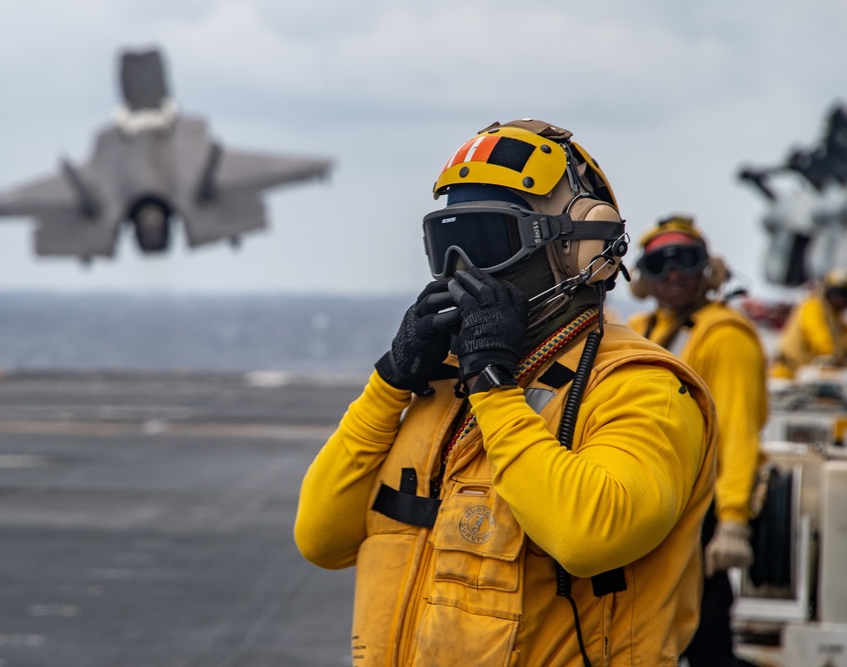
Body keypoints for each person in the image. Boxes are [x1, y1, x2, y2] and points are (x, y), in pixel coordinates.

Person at [294, 119, 717, 666]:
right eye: (448, 245)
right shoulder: (442, 383)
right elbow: (320, 538)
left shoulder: (642, 388)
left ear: (580, 248)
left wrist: (493, 385)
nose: (461, 270)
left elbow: (591, 535)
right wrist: (391, 380)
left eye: (487, 242)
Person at [627, 216, 767, 666]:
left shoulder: (722, 335)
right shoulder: (643, 329)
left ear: (708, 270)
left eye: (685, 260)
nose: (671, 273)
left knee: (706, 635)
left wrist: (732, 521)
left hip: (700, 512)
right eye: (659, 261)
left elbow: (738, 432)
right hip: (653, 505)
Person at [771, 267, 847, 379]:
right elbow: (822, 343)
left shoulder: (836, 318)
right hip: (786, 376)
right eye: (837, 293)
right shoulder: (812, 307)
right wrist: (836, 357)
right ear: (828, 292)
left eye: (844, 295)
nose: (841, 299)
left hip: (805, 379)